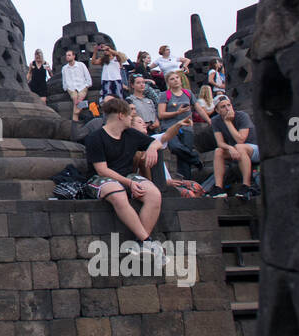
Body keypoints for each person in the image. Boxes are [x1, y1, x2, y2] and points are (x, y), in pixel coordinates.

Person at [83, 97, 166, 256]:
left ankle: (140, 244)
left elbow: (157, 142)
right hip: (100, 179)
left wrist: (151, 149)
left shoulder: (131, 134)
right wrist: (129, 183)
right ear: (121, 115)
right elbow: (102, 170)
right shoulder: (95, 138)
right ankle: (147, 240)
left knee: (154, 194)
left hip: (127, 175)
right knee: (118, 194)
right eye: (129, 115)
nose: (132, 118)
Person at [209, 95, 260, 199]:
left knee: (239, 146)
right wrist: (230, 148)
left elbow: (240, 140)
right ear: (217, 110)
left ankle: (246, 185)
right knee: (218, 151)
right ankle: (218, 188)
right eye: (223, 107)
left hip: (255, 149)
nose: (227, 108)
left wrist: (228, 122)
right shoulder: (215, 121)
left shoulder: (242, 116)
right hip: (236, 150)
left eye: (229, 105)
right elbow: (220, 142)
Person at [156, 71, 200, 179]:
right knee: (175, 147)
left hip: (187, 126)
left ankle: (186, 182)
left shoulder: (188, 93)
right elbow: (161, 114)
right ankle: (195, 158)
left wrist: (209, 121)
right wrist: (177, 112)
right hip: (170, 127)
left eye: (177, 78)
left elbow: (199, 108)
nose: (176, 80)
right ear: (168, 82)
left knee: (183, 158)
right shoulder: (164, 95)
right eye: (172, 79)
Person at [60, 49, 91, 122]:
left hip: (82, 86)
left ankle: (75, 119)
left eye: (69, 55)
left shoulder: (81, 65)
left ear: (74, 56)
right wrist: (66, 88)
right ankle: (76, 118)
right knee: (75, 98)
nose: (67, 57)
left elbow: (88, 77)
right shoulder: (64, 68)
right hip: (71, 88)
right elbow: (64, 81)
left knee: (78, 100)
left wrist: (86, 86)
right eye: (66, 55)